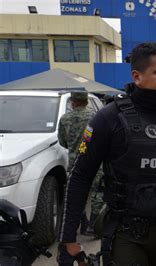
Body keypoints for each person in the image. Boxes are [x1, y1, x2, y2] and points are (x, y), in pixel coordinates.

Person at [57, 42, 156, 266]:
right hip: (127, 235)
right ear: (137, 76)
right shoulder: (109, 118)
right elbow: (80, 177)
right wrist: (67, 238)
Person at [58, 91, 101, 237]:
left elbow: (62, 142)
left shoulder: (64, 119)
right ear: (87, 101)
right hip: (95, 161)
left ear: (72, 101)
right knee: (97, 193)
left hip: (75, 162)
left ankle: (83, 222)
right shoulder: (95, 117)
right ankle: (93, 226)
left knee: (77, 194)